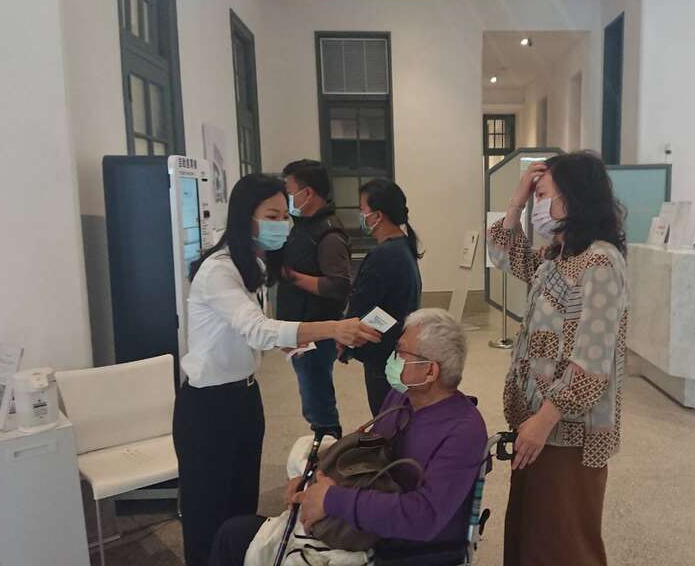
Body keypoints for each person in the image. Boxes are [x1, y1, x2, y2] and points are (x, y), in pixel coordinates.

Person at [173, 173, 380, 566]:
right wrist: (333, 328)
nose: (281, 224)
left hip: (245, 397)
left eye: (285, 216)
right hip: (208, 407)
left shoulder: (249, 264)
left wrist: (290, 345)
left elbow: (246, 333)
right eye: (271, 216)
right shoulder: (218, 270)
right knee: (207, 514)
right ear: (244, 217)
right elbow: (256, 327)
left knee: (240, 504)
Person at [207, 309, 487, 565]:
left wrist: (332, 500)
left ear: (430, 370)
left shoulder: (463, 432)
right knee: (235, 534)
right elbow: (364, 453)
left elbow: (423, 517)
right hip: (363, 521)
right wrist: (310, 479)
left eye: (401, 352)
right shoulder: (401, 398)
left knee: (238, 540)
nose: (393, 358)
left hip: (399, 548)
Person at [487, 152, 629, 566]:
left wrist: (545, 419)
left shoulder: (599, 262)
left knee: (564, 539)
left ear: (573, 197)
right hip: (535, 419)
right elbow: (504, 255)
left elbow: (592, 360)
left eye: (542, 195)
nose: (538, 206)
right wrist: (515, 202)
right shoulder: (558, 257)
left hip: (566, 429)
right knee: (532, 532)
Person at [278, 159, 351, 439]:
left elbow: (338, 285)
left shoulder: (328, 233)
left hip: (316, 332)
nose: (287, 199)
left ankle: (328, 445)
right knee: (312, 395)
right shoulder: (303, 226)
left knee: (318, 401)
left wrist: (291, 276)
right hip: (301, 329)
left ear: (308, 193)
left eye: (289, 192)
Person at [343, 179, 423, 416]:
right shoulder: (403, 247)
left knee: (386, 419)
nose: (361, 216)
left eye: (362, 210)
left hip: (382, 354)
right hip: (396, 349)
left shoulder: (384, 255)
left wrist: (345, 341)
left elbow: (363, 306)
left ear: (377, 216)